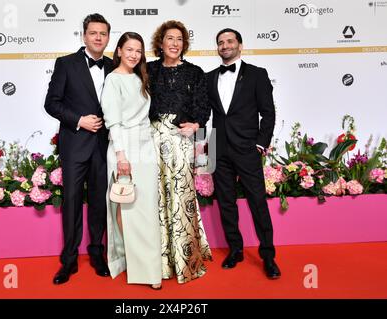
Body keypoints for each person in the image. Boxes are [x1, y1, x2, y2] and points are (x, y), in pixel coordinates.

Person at [205, 28, 281, 279]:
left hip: (247, 149)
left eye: (229, 41)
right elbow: (202, 113)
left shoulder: (257, 75)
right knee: (226, 203)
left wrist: (260, 144)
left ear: (240, 45)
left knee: (257, 203)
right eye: (220, 42)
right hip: (218, 148)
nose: (225, 45)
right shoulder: (209, 77)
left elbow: (268, 113)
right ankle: (235, 249)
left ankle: (268, 255)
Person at [44, 13, 112, 285]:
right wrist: (78, 120)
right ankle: (69, 260)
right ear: (84, 35)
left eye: (103, 34)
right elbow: (52, 103)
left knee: (99, 203)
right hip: (74, 144)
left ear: (108, 38)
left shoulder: (114, 66)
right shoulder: (66, 64)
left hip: (104, 145)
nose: (98, 38)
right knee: (72, 202)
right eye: (93, 33)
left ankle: (97, 253)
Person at [148, 20, 212, 284]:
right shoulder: (147, 70)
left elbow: (203, 107)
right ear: (160, 43)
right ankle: (157, 261)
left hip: (181, 139)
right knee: (154, 197)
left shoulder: (196, 72)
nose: (174, 43)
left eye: (179, 39)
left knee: (181, 196)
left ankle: (185, 258)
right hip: (151, 140)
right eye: (169, 38)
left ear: (184, 44)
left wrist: (196, 124)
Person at [101, 32, 162, 290]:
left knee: (146, 211)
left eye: (138, 51)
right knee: (130, 211)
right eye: (129, 49)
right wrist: (121, 156)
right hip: (124, 148)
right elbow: (112, 120)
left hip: (146, 148)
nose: (134, 55)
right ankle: (143, 271)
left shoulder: (140, 77)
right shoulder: (113, 80)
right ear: (118, 51)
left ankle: (149, 267)